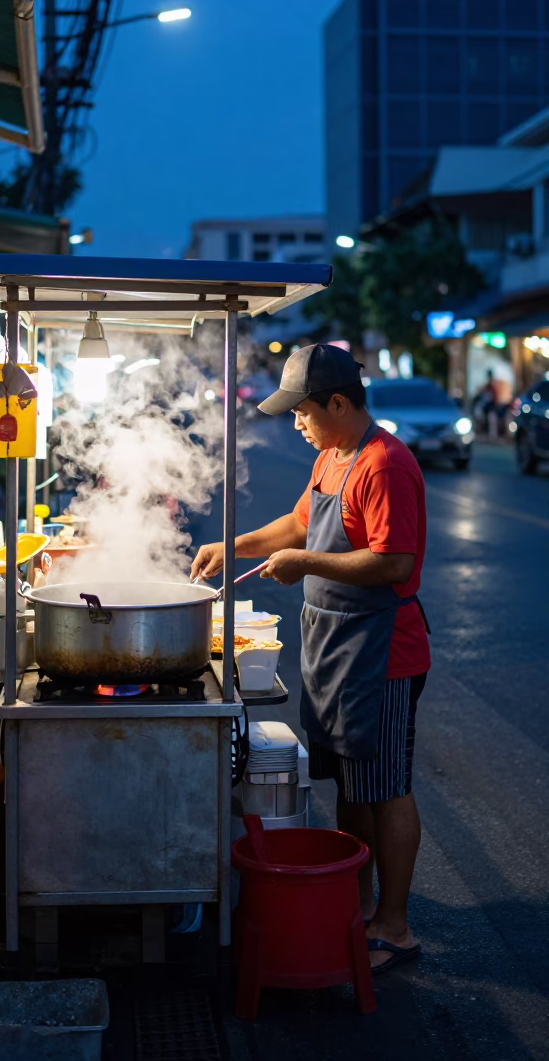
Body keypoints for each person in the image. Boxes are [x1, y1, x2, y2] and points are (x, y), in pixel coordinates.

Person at [191, 344, 430, 975]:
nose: (295, 423)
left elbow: (394, 562)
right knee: (352, 782)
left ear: (340, 403)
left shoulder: (385, 464)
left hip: (383, 654)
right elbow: (298, 526)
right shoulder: (331, 458)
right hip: (335, 645)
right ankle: (358, 903)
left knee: (387, 789)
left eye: (302, 411)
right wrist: (231, 546)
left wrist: (307, 566)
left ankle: (395, 926)